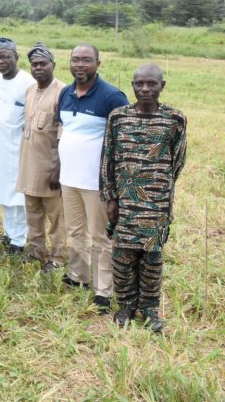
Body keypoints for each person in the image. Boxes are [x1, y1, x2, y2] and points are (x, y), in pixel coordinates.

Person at [101, 64, 186, 332]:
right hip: (125, 201)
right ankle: (125, 305)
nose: (145, 89)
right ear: (133, 85)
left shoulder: (175, 119)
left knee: (152, 259)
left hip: (157, 203)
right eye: (139, 84)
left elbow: (177, 161)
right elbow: (108, 159)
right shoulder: (118, 117)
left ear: (163, 85)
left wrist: (158, 187)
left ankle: (149, 308)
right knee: (123, 257)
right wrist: (111, 197)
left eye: (151, 84)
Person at [57, 43, 129, 314]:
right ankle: (78, 276)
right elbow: (64, 130)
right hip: (69, 178)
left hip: (96, 182)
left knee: (99, 235)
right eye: (75, 60)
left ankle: (103, 290)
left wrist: (115, 183)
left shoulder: (112, 96)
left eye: (86, 60)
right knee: (75, 230)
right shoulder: (66, 93)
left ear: (98, 63)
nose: (80, 65)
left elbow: (122, 141)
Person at [16, 44, 67, 271]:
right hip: (28, 165)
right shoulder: (29, 90)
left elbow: (62, 135)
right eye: (34, 65)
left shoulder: (63, 92)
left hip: (50, 168)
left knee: (57, 218)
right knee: (33, 214)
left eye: (43, 64)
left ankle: (58, 258)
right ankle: (36, 252)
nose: (38, 68)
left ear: (53, 65)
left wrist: (58, 170)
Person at [0, 38, 35, 254]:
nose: (2, 61)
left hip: (20, 148)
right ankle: (8, 233)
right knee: (3, 192)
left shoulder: (28, 82)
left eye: (7, 57)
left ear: (16, 58)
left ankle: (19, 239)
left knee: (18, 195)